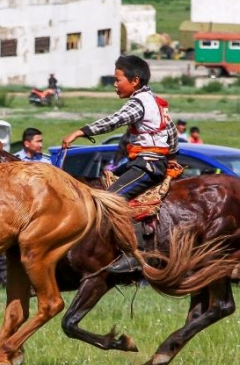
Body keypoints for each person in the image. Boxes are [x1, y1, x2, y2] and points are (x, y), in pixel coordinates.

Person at [61, 55, 178, 274]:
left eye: (118, 79)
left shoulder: (138, 103)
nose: (115, 85)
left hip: (147, 165)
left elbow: (115, 120)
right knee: (103, 184)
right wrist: (172, 157)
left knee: (111, 200)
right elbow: (171, 131)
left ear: (134, 81)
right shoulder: (155, 101)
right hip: (147, 162)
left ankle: (132, 253)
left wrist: (81, 131)